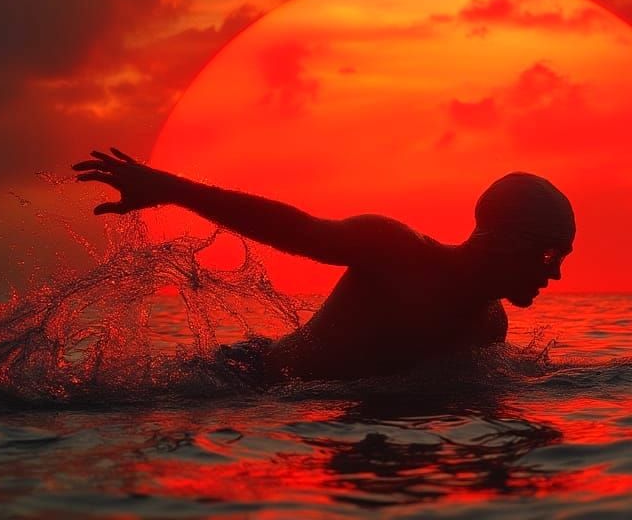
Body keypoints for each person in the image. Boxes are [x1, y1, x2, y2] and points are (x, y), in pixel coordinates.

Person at [73, 148, 575, 381]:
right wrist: (171, 188)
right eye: (549, 254)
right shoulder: (396, 251)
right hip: (246, 378)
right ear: (507, 239)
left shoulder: (491, 325)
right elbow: (293, 229)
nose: (553, 274)